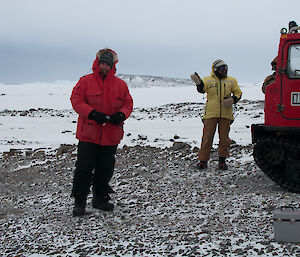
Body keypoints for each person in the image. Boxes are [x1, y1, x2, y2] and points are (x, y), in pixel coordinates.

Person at [70, 48, 133, 216]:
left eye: (107, 64)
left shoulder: (121, 85)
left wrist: (121, 115)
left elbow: (128, 104)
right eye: (102, 63)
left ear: (112, 66)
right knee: (83, 168)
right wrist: (91, 113)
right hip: (88, 134)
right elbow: (76, 100)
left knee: (105, 169)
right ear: (98, 64)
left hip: (110, 136)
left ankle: (100, 198)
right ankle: (79, 202)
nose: (104, 66)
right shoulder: (85, 81)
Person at [191, 59, 242, 170]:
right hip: (211, 113)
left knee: (224, 139)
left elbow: (238, 92)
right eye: (221, 68)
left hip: (226, 114)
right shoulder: (208, 80)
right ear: (215, 69)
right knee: (207, 137)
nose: (224, 70)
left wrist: (233, 99)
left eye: (225, 68)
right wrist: (199, 84)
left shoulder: (231, 81)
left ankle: (222, 161)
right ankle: (203, 161)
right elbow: (202, 90)